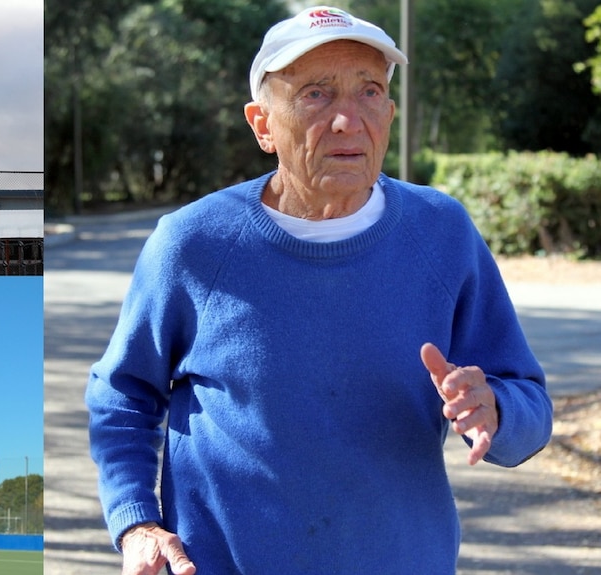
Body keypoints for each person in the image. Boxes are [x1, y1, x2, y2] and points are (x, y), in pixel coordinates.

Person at [85, 6, 553, 574]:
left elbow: (529, 402)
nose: (347, 120)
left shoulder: (442, 232)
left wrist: (496, 409)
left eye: (370, 92)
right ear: (262, 124)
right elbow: (122, 395)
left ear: (391, 111)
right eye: (315, 94)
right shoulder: (194, 243)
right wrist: (136, 522)